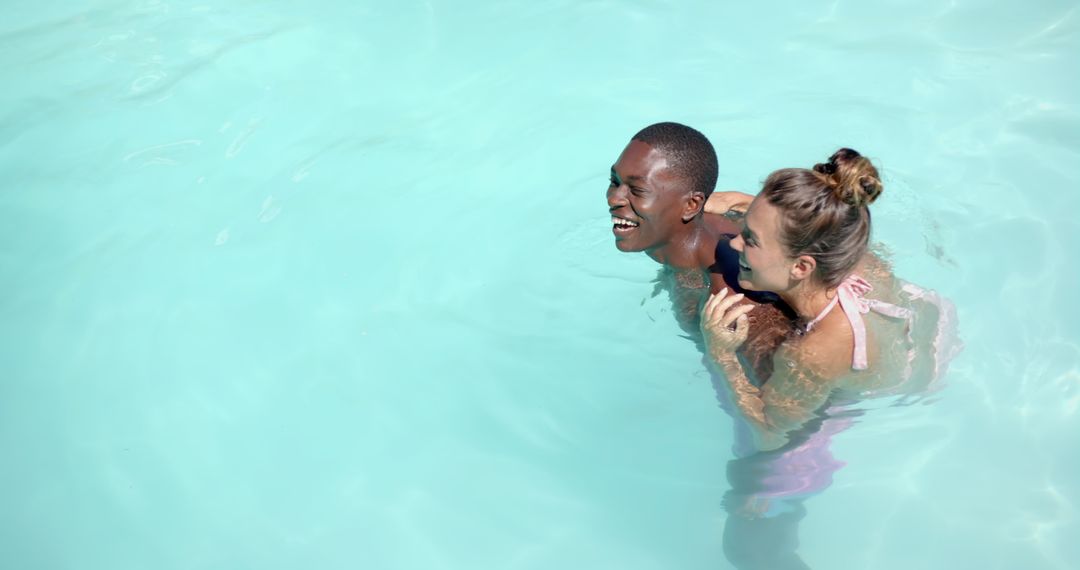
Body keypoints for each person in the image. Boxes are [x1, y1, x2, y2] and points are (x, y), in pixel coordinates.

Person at [700, 148, 960, 453]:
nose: (735, 241)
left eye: (751, 239)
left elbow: (771, 434)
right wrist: (744, 202)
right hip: (928, 325)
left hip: (903, 388)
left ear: (801, 267)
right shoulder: (849, 250)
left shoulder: (812, 354)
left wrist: (722, 356)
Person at [607, 122, 792, 378]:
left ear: (692, 205)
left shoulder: (733, 304)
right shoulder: (693, 225)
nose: (614, 198)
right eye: (614, 181)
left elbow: (789, 413)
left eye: (637, 190)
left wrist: (722, 356)